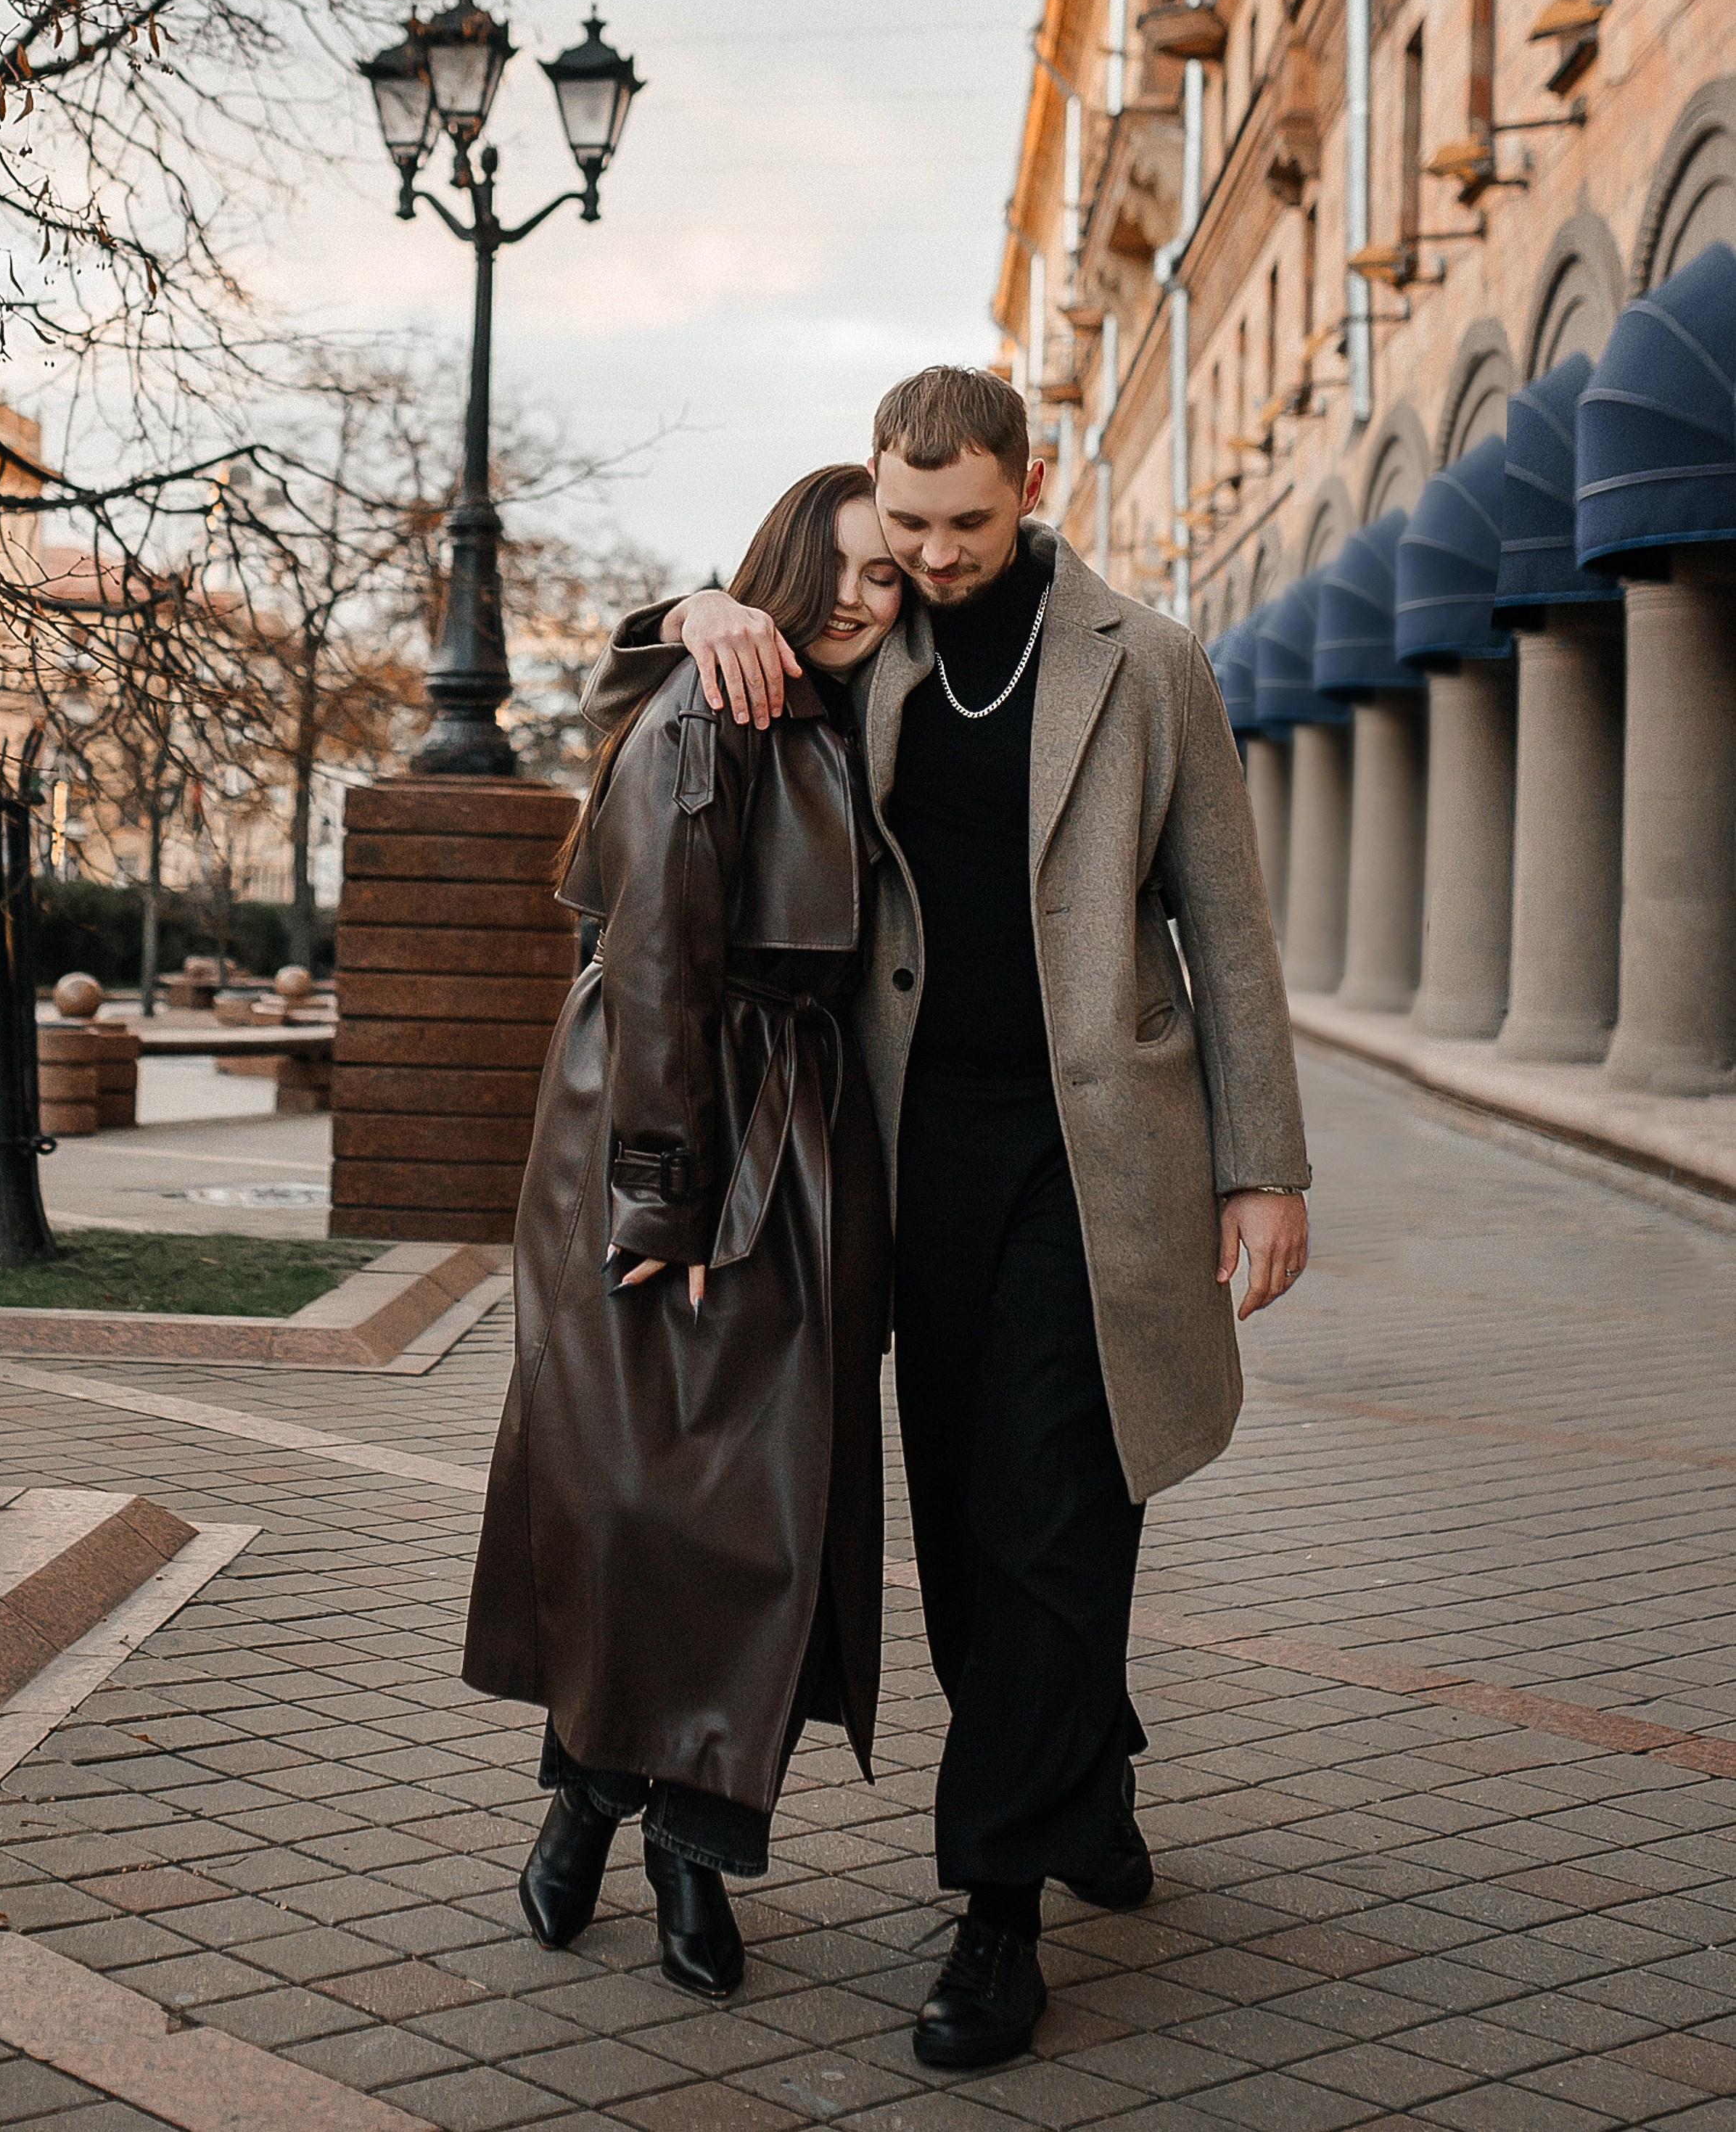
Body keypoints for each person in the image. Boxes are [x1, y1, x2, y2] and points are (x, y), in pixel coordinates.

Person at [587, 365, 1311, 2068]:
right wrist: (691, 602)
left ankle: (993, 1908)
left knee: (1058, 1499)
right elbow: (672, 692)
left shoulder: (1147, 662)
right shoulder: (867, 650)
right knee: (970, 1528)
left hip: (1099, 1153)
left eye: (960, 523)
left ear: (1030, 483)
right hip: (907, 1154)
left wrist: (1262, 1164)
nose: (926, 554)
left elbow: (1226, 921)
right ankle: (1087, 1765)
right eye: (901, 525)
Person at [461, 466, 900, 2002]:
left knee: (755, 1512)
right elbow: (651, 960)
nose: (863, 597)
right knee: (646, 1502)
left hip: (793, 1140)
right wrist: (665, 1188)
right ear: (780, 564)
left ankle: (662, 1839)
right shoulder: (710, 712)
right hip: (671, 1127)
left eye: (887, 577)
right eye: (839, 569)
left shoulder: (840, 708)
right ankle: (615, 1813)